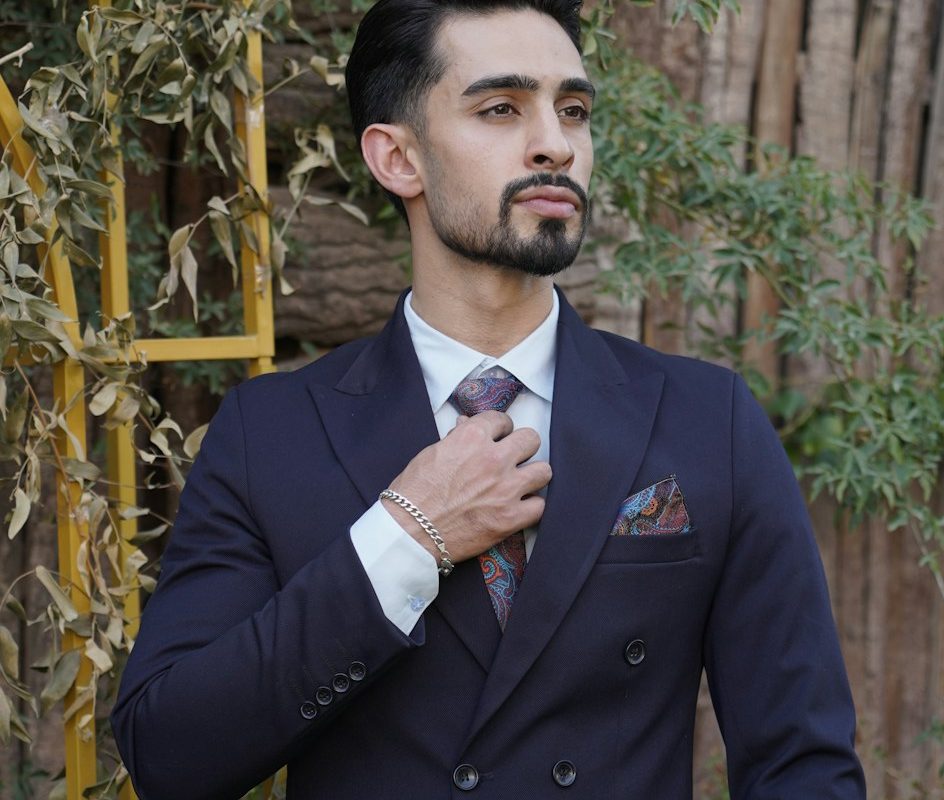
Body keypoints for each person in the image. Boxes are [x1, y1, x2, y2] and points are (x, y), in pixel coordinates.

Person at [112, 1, 866, 797]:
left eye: (572, 110)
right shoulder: (271, 433)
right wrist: (409, 536)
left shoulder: (710, 420)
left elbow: (803, 764)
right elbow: (170, 753)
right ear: (398, 158)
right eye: (501, 108)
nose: (556, 143)